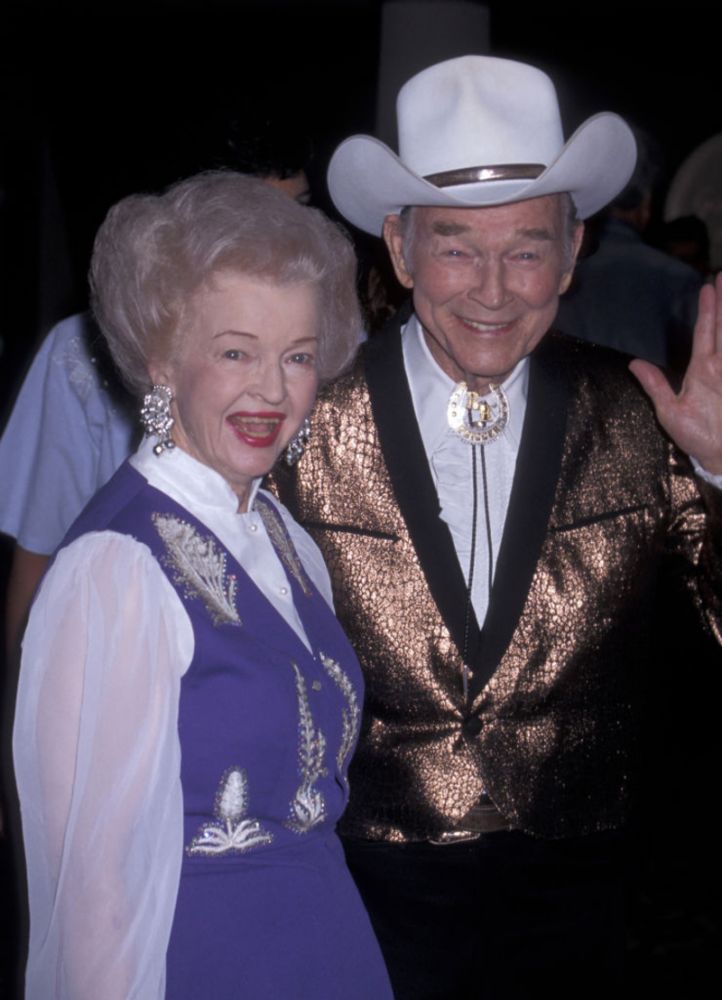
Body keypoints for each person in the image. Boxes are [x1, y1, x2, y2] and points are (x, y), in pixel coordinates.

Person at [271, 56, 722, 997]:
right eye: (456, 248)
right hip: (363, 887)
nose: (492, 290)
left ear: (573, 249)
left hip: (585, 899)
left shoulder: (643, 413)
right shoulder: (303, 418)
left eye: (525, 250)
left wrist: (718, 471)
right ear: (400, 249)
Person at [13, 172, 392, 999]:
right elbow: (95, 898)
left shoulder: (287, 538)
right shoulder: (115, 567)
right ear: (162, 360)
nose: (272, 390)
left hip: (331, 950)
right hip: (204, 966)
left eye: (297, 356)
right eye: (235, 352)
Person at [0, 134, 313, 661]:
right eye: (256, 217)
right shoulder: (81, 354)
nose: (286, 240)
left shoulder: (330, 348)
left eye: (300, 211)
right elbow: (39, 551)